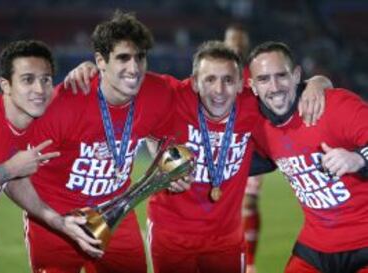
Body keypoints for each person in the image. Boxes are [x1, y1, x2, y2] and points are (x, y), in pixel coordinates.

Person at [64, 39, 331, 273]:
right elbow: (123, 82)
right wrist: (92, 70)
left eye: (228, 80)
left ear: (241, 84)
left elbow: (300, 88)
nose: (219, 90)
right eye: (210, 80)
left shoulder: (254, 104)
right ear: (193, 83)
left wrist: (318, 82)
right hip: (172, 236)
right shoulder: (172, 96)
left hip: (226, 239)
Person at [24, 11, 189, 273]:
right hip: (58, 218)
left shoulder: (158, 93)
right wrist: (52, 219)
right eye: (123, 58)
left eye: (140, 57)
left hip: (118, 210)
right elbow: (17, 171)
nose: (134, 68)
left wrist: (168, 166)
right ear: (101, 61)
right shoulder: (63, 104)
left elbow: (165, 138)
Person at [0, 40, 97, 273]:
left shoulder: (31, 121)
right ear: (6, 85)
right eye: (27, 80)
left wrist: (58, 221)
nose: (39, 90)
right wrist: (8, 169)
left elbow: (14, 182)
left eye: (45, 79)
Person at [248, 41, 368, 273]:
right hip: (316, 247)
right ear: (252, 86)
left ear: (296, 75)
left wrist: (359, 159)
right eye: (263, 79)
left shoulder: (336, 106)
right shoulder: (258, 124)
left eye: (281, 75)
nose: (274, 87)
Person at [225, 24, 262, 273]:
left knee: (248, 202)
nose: (237, 45)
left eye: (241, 41)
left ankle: (249, 264)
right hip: (220, 148)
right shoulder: (215, 70)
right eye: (233, 41)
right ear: (225, 42)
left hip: (250, 146)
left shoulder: (256, 74)